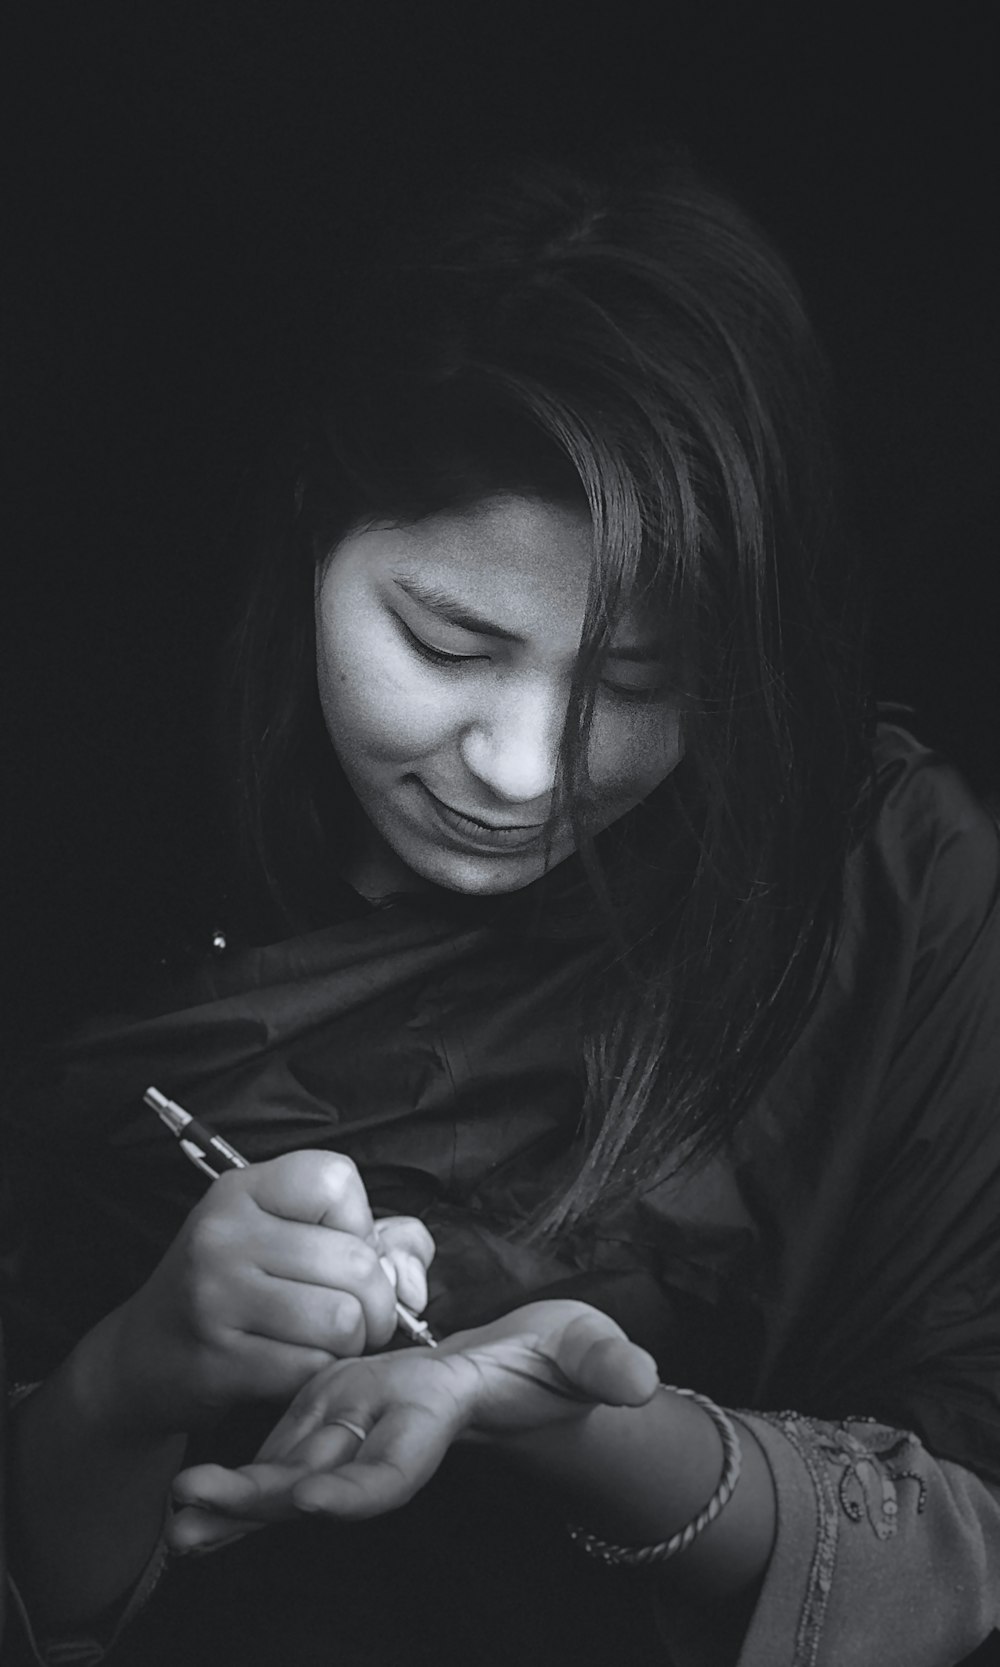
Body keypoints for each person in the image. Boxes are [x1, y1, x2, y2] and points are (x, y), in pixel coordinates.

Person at [2, 143, 999, 1667]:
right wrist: (129, 1376)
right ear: (315, 528)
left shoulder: (875, 882)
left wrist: (591, 1429)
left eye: (640, 686)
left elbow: (972, 1542)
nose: (525, 769)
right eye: (448, 642)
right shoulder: (85, 844)